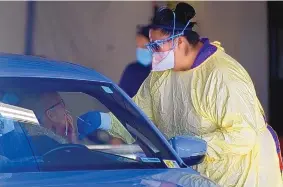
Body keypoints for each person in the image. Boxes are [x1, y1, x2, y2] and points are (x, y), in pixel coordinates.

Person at [88, 3, 282, 187]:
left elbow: (244, 134)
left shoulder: (222, 75)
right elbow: (139, 115)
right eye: (150, 46)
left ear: (179, 41)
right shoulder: (160, 76)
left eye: (156, 46)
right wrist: (106, 122)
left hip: (241, 177)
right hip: (194, 177)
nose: (152, 53)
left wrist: (201, 146)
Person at [119, 25, 152, 98]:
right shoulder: (131, 70)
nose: (140, 50)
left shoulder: (165, 73)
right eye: (138, 46)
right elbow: (121, 99)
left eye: (144, 47)